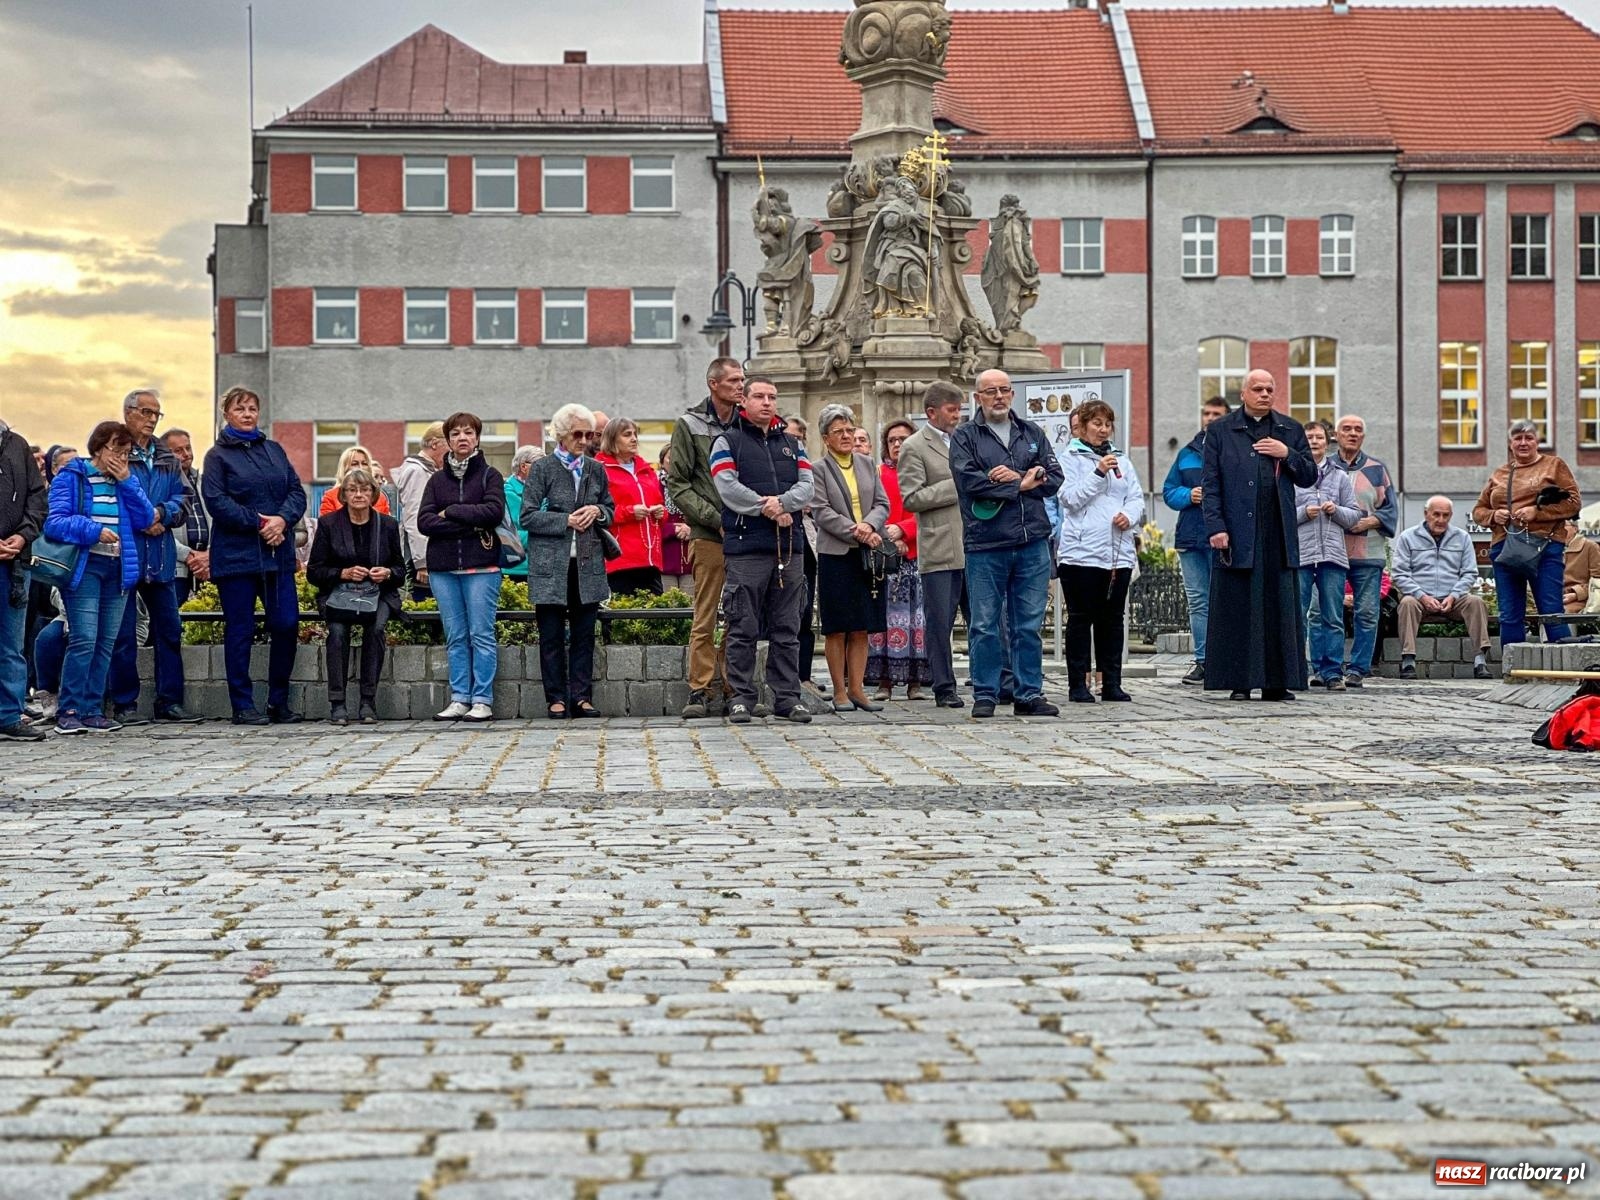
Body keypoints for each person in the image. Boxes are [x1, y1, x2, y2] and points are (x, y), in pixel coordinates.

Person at [950, 368, 1064, 718]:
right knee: (984, 624)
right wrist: (1021, 485)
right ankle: (986, 692)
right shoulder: (966, 436)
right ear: (978, 397)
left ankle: (1028, 693)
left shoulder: (1031, 432)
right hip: (986, 543)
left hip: (1032, 541)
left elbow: (1054, 476)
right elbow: (969, 482)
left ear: (1012, 394)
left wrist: (1019, 479)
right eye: (990, 391)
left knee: (1027, 625)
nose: (998, 396)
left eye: (1004, 390)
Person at [1201, 369, 1318, 700]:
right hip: (1237, 532)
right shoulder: (1222, 430)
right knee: (1240, 607)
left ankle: (1276, 683)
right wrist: (1217, 527)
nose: (1264, 394)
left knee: (1277, 607)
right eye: (1258, 389)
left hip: (1277, 533)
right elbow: (1211, 483)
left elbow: (1309, 476)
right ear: (1243, 394)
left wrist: (1288, 454)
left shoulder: (1290, 429)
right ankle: (1240, 681)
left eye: (1270, 388)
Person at [710, 375, 815, 723]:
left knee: (788, 627)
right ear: (744, 401)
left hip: (789, 548)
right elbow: (727, 487)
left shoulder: (793, 443)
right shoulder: (727, 442)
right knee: (742, 626)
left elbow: (807, 486)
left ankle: (787, 697)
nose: (767, 402)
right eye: (759, 396)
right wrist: (764, 507)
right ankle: (740, 695)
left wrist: (782, 503)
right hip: (747, 547)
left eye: (772, 396)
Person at [203, 387, 306, 725]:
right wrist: (259, 522)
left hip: (277, 554)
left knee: (287, 623)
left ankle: (279, 701)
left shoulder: (274, 450)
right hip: (237, 558)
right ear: (226, 414)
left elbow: (296, 491)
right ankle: (242, 705)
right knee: (240, 630)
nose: (247, 414)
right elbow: (217, 501)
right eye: (239, 409)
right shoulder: (217, 456)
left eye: (252, 408)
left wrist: (281, 520)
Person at [45, 422, 155, 734]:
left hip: (118, 568)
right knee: (84, 639)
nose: (120, 457)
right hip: (86, 566)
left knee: (107, 641)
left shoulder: (125, 480)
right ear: (98, 448)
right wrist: (93, 530)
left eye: (126, 452)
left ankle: (93, 708)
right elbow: (55, 522)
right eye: (115, 450)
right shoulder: (73, 475)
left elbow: (146, 518)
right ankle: (69, 708)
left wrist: (127, 482)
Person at [106, 389, 200, 726]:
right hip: (128, 551)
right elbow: (109, 498)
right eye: (145, 412)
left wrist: (162, 514)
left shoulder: (166, 457)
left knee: (169, 630)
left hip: (160, 553)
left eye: (155, 414)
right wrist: (144, 520)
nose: (150, 419)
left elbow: (184, 498)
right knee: (124, 633)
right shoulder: (114, 450)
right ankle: (125, 704)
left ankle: (170, 701)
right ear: (128, 411)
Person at [521, 403, 614, 719]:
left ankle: (581, 696)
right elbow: (527, 516)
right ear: (561, 434)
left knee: (585, 635)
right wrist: (566, 521)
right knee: (550, 635)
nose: (584, 440)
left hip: (588, 563)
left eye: (589, 434)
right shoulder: (542, 468)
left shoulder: (596, 469)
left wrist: (598, 512)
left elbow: (610, 509)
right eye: (578, 434)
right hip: (551, 565)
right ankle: (556, 698)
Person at [418, 412, 505, 723]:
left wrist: (452, 511)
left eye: (469, 432)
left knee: (481, 634)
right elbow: (425, 522)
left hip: (482, 568)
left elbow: (493, 512)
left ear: (478, 438)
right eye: (455, 434)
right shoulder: (436, 480)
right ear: (448, 440)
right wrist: (468, 522)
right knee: (455, 635)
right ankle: (459, 697)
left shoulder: (490, 476)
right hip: (443, 569)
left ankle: (482, 699)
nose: (462, 438)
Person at [1056, 398, 1144, 704]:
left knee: (1113, 619)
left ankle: (1112, 683)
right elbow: (1070, 499)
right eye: (1097, 424)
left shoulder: (1122, 459)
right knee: (1081, 618)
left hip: (1116, 552)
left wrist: (1129, 516)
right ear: (1082, 427)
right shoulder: (1069, 458)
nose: (1103, 430)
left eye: (1108, 424)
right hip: (1081, 553)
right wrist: (1097, 473)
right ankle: (1078, 684)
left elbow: (1135, 496)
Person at [668, 358, 741, 718]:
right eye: (733, 380)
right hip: (708, 534)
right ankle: (699, 688)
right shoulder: (689, 424)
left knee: (740, 615)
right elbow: (678, 483)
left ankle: (733, 687)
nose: (740, 386)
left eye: (743, 379)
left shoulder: (748, 422)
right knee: (706, 614)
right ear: (714, 384)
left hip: (746, 534)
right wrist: (715, 519)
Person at [307, 467, 404, 725]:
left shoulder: (388, 525)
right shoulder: (328, 524)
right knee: (337, 632)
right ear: (344, 494)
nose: (359, 495)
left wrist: (387, 573)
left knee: (375, 629)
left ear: (374, 494)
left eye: (365, 489)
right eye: (352, 490)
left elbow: (401, 571)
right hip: (339, 594)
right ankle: (337, 702)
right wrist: (344, 573)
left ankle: (368, 701)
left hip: (378, 594)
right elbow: (314, 572)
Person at [1472, 419, 1581, 646]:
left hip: (1545, 546)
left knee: (1551, 610)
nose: (1523, 443)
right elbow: (1478, 511)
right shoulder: (1499, 474)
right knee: (1509, 614)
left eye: (1528, 437)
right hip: (1506, 547)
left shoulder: (1554, 465)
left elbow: (1573, 503)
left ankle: (1564, 672)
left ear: (1537, 441)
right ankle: (1513, 671)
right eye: (1518, 438)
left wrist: (1537, 511)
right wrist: (1493, 516)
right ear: (1510, 443)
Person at [811, 404, 890, 713]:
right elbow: (821, 510)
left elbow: (882, 502)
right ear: (825, 438)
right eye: (838, 432)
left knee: (861, 625)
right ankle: (840, 690)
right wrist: (856, 530)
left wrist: (870, 526)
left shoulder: (868, 464)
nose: (845, 436)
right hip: (837, 554)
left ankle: (858, 689)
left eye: (849, 430)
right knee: (837, 626)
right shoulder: (817, 469)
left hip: (868, 555)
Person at [898, 381, 967, 709]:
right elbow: (912, 498)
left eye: (959, 410)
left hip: (975, 545)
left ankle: (992, 682)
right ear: (932, 412)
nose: (957, 416)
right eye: (951, 410)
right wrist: (956, 486)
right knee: (940, 622)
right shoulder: (914, 446)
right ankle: (944, 685)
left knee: (984, 620)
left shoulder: (967, 439)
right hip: (940, 546)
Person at [1162, 394, 1231, 685]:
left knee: (1226, 600)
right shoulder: (1187, 453)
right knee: (1199, 602)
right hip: (1191, 537)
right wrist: (1188, 496)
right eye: (1207, 413)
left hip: (1225, 537)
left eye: (1217, 414)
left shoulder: (1234, 450)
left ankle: (1227, 660)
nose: (1210, 418)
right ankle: (1203, 661)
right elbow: (1168, 490)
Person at [1293, 419, 1362, 691]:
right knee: (1297, 615)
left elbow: (1355, 515)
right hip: (1300, 555)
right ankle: (1298, 668)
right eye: (1309, 437)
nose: (1314, 441)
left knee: (1332, 616)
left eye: (1318, 437)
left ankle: (1332, 672)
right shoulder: (1292, 474)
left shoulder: (1340, 476)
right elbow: (1281, 514)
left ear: (1327, 441)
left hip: (1332, 555)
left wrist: (1336, 511)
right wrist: (1303, 513)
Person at [1330, 414, 1398, 687]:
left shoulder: (1376, 469)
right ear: (1336, 434)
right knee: (1328, 612)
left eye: (1358, 430)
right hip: (1331, 553)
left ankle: (1359, 668)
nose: (1353, 433)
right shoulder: (1324, 467)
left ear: (1363, 437)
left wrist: (1369, 521)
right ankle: (1329, 668)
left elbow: (1390, 510)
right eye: (1347, 429)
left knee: (1367, 613)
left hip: (1368, 554)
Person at [1392, 496, 1493, 679]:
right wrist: (1422, 596)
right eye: (1436, 514)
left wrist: (1454, 595)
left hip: (1452, 599)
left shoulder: (1462, 537)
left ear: (1451, 516)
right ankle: (1408, 661)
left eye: (1445, 515)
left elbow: (1470, 573)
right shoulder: (1408, 537)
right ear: (1426, 514)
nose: (1441, 520)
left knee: (1476, 602)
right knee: (1407, 603)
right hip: (1420, 599)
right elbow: (1399, 574)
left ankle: (1480, 661)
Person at [865, 419, 930, 701]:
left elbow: (929, 511)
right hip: (885, 559)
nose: (897, 444)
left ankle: (915, 681)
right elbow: (870, 510)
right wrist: (891, 539)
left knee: (917, 620)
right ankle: (884, 681)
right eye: (892, 440)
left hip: (917, 555)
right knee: (885, 621)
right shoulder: (877, 473)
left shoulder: (924, 474)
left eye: (903, 439)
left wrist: (906, 532)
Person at [0, 412, 47, 741]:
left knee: (12, 645)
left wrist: (23, 536)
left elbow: (37, 498)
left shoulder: (16, 445)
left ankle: (8, 715)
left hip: (15, 563)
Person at [598, 417, 667, 596]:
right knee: (623, 617)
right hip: (620, 560)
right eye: (627, 434)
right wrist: (629, 512)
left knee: (654, 617)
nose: (634, 439)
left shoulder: (647, 470)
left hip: (650, 559)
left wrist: (661, 512)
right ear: (612, 439)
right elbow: (597, 512)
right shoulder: (600, 470)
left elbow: (660, 504)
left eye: (635, 434)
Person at [783, 414, 822, 696]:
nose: (794, 441)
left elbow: (814, 499)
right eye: (790, 436)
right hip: (779, 540)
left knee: (805, 613)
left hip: (806, 539)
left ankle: (804, 675)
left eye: (799, 437)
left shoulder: (807, 465)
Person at [392, 422, 446, 600]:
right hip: (422, 558)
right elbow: (414, 517)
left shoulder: (429, 470)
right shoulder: (417, 471)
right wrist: (422, 562)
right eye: (449, 444)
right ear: (434, 444)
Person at [162, 429, 210, 608]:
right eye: (178, 451)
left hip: (209, 566)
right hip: (176, 568)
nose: (186, 455)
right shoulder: (160, 485)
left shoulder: (205, 482)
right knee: (173, 624)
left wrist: (209, 555)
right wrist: (188, 555)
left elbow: (221, 520)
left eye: (188, 448)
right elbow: (158, 528)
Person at [501, 446, 542, 582]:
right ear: (524, 467)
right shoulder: (506, 494)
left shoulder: (545, 493)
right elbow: (510, 537)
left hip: (541, 568)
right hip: (515, 570)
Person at [657, 442, 693, 595]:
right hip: (665, 559)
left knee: (691, 607)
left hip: (689, 559)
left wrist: (691, 529)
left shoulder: (693, 486)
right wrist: (673, 529)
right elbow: (651, 523)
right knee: (668, 606)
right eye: (670, 458)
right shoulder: (654, 485)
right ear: (662, 461)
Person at [318, 445, 393, 515]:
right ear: (345, 468)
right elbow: (326, 525)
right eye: (355, 464)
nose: (360, 467)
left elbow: (386, 525)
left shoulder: (380, 497)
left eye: (364, 463)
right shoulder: (330, 496)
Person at [1564, 519, 1600, 614]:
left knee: (1561, 613)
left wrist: (1576, 594)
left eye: (1563, 525)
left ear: (1575, 528)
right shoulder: (1551, 547)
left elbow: (1597, 580)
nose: (1559, 529)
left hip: (1581, 600)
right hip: (1553, 597)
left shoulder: (1590, 546)